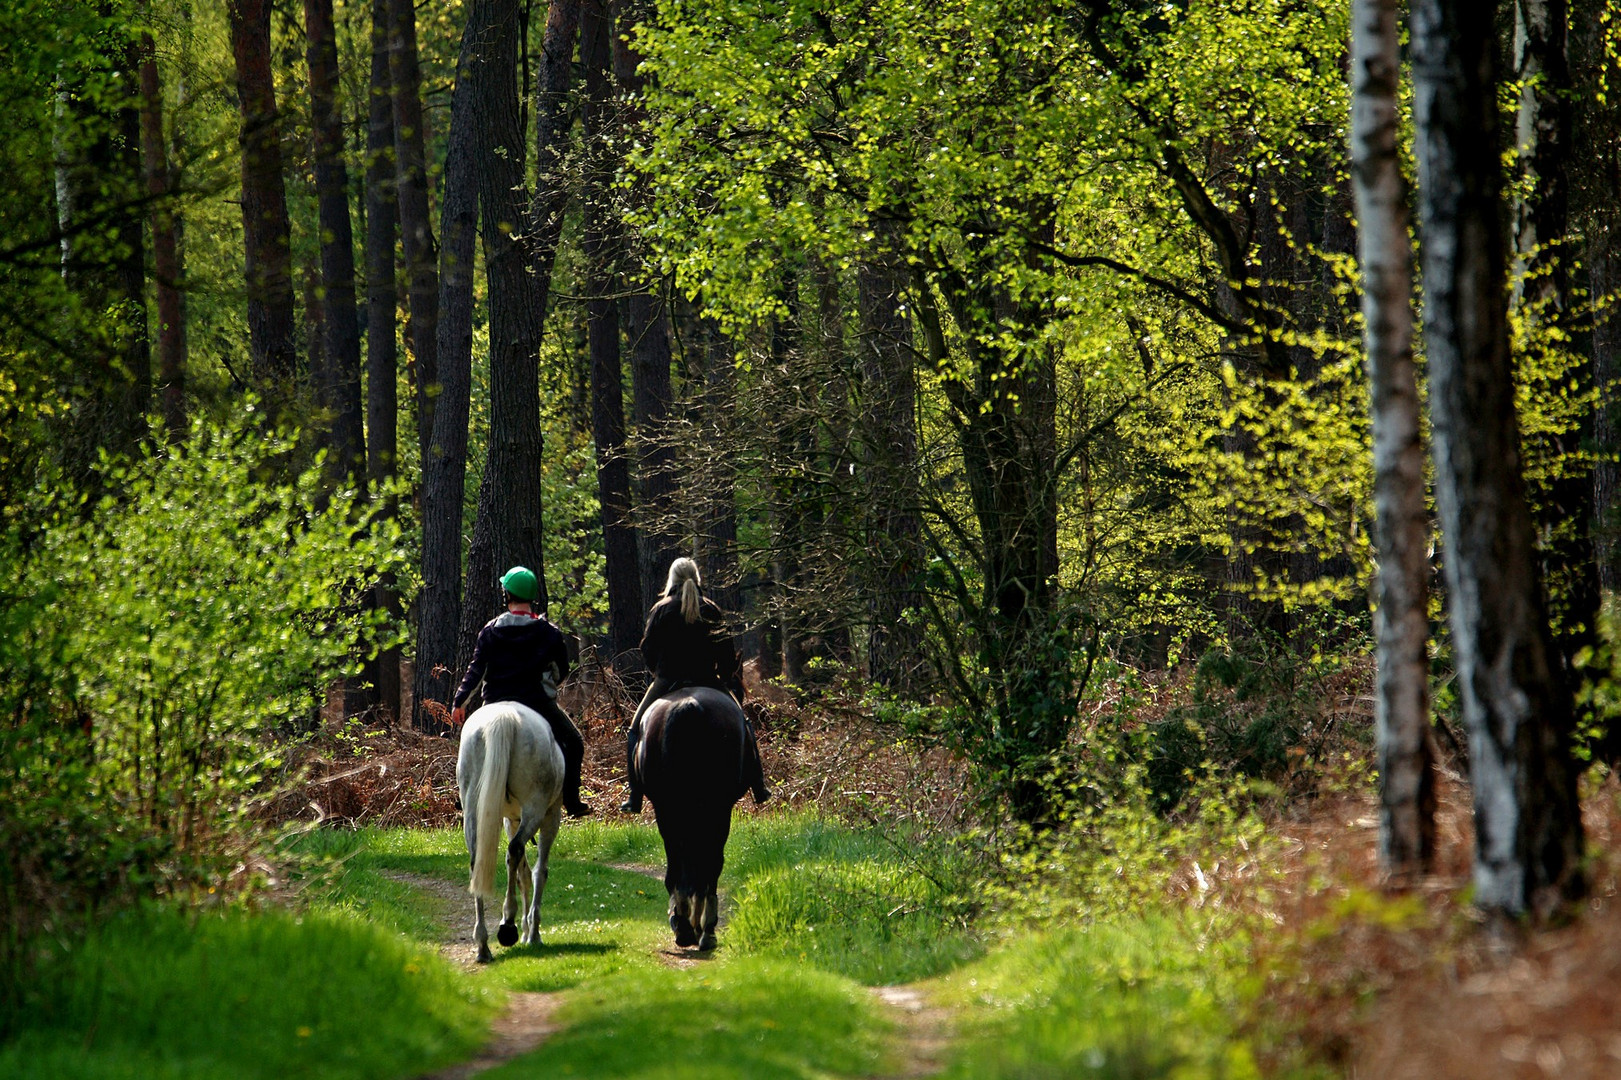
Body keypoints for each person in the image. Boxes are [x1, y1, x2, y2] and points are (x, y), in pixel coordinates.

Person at [621, 557, 771, 814]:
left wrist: (659, 671)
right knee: (744, 724)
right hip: (707, 680)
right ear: (696, 578)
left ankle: (634, 797)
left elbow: (647, 650)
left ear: (672, 579)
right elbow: (725, 653)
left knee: (635, 730)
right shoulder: (710, 608)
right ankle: (758, 786)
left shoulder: (661, 609)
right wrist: (723, 676)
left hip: (667, 681)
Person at [450, 566, 593, 818]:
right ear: (532, 596)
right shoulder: (549, 633)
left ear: (507, 595)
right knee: (574, 742)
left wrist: (460, 701)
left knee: (472, 740)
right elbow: (561, 671)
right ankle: (572, 800)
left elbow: (476, 671)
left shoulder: (490, 630)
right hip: (536, 703)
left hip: (494, 701)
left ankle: (465, 793)